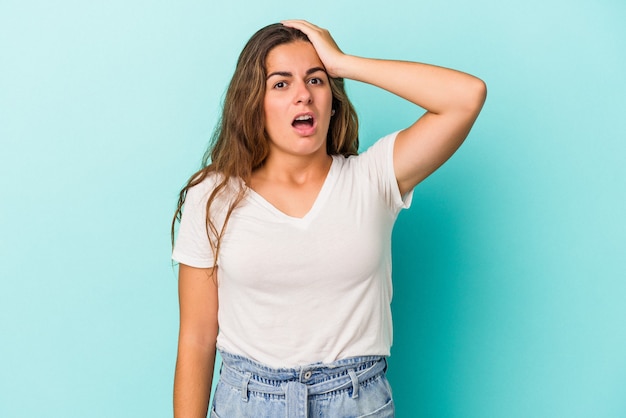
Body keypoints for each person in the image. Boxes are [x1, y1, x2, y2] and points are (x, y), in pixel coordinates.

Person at [171, 19, 486, 418]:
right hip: (247, 403)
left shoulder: (372, 179)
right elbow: (197, 338)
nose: (302, 95)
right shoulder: (214, 195)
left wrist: (343, 63)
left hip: (355, 401)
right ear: (254, 101)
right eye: (281, 84)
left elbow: (466, 96)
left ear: (333, 98)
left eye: (316, 80)